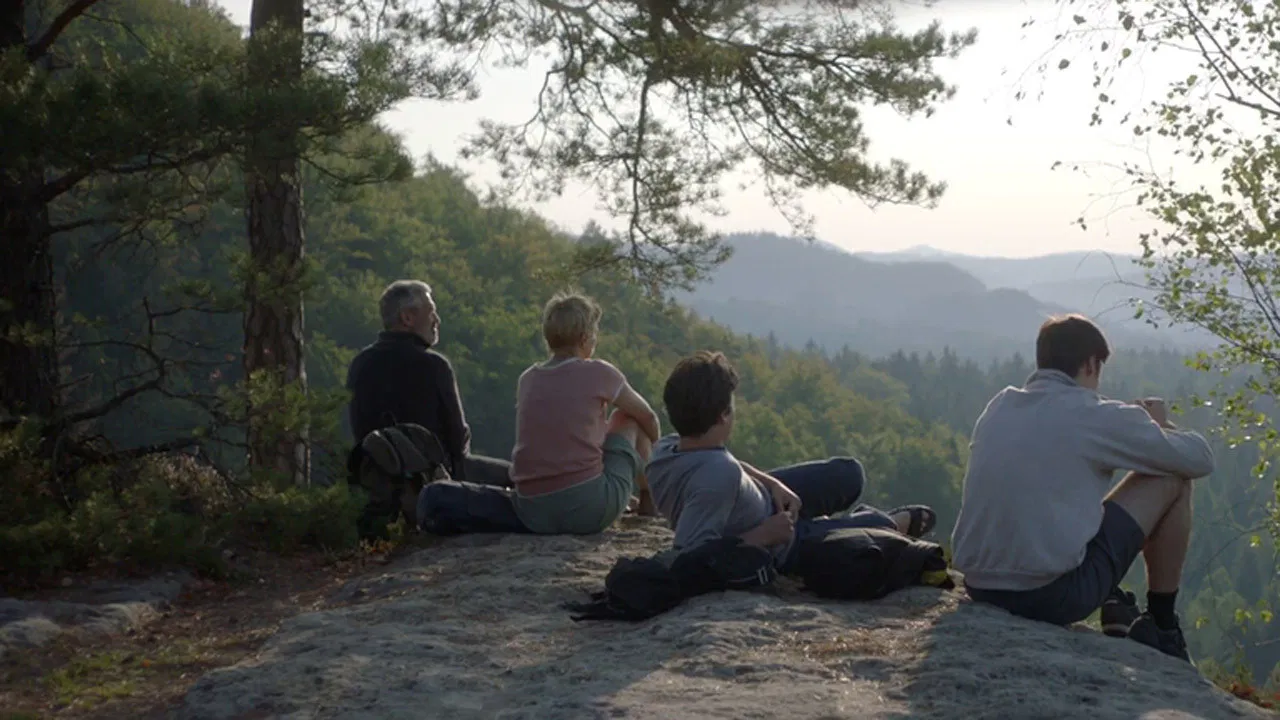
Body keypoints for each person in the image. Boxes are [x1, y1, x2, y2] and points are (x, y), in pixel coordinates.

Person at [950, 314, 1215, 662]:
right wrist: (1161, 426)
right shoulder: (1094, 414)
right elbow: (1199, 459)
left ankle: (1115, 601)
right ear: (1091, 363)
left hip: (979, 585)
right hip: (1050, 596)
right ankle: (1162, 625)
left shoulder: (999, 405)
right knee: (1173, 479)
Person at [645, 350, 937, 577]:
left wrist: (773, 484)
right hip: (783, 542)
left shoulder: (668, 447)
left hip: (758, 498)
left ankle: (834, 521)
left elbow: (719, 462)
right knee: (876, 527)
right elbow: (690, 557)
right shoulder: (717, 479)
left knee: (849, 473)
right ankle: (890, 522)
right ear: (723, 415)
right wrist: (765, 535)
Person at [507, 292, 662, 533]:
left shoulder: (527, 379)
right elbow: (648, 416)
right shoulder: (599, 372)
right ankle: (649, 495)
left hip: (531, 512)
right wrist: (657, 451)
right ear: (583, 338)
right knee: (628, 418)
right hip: (588, 511)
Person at [346, 280, 511, 487]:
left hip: (378, 477)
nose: (437, 320)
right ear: (407, 317)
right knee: (516, 476)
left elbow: (360, 432)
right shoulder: (433, 365)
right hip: (434, 478)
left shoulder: (360, 364)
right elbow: (457, 443)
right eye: (431, 312)